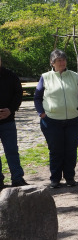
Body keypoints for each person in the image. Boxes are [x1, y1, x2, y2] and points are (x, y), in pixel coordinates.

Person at [34, 50, 78, 188]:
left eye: (64, 60)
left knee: (71, 150)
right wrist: (41, 113)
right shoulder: (45, 77)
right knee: (56, 150)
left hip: (74, 120)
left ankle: (70, 177)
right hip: (51, 121)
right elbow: (37, 97)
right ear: (52, 63)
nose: (62, 62)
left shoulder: (74, 76)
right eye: (59, 60)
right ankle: (55, 179)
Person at [0, 53, 28, 190]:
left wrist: (10, 110)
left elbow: (18, 94)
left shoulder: (10, 75)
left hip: (8, 121)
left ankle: (17, 179)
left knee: (12, 151)